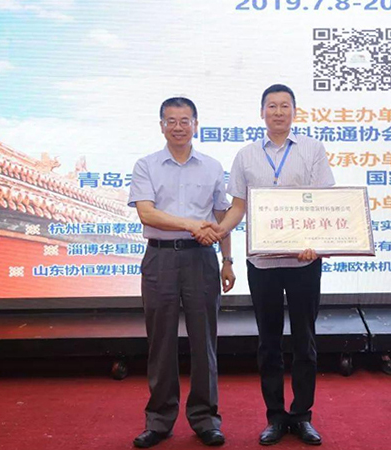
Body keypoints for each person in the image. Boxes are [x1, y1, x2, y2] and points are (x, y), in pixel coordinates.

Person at [214, 84, 335, 446]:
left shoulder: (312, 149)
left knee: (304, 341)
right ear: (262, 112)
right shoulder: (246, 155)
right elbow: (238, 206)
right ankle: (275, 417)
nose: (278, 112)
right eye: (272, 106)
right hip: (262, 263)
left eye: (285, 106)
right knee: (268, 342)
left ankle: (302, 416)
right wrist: (218, 231)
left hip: (303, 262)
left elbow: (324, 201)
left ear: (294, 112)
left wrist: (319, 244)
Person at [128, 97, 235, 448]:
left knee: (205, 342)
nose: (178, 127)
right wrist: (190, 225)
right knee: (160, 341)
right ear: (161, 125)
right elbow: (147, 213)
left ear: (195, 124)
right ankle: (159, 420)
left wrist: (227, 260)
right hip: (160, 259)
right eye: (171, 120)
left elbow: (221, 218)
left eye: (185, 120)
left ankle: (206, 419)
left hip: (201, 259)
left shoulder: (212, 167)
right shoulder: (146, 165)